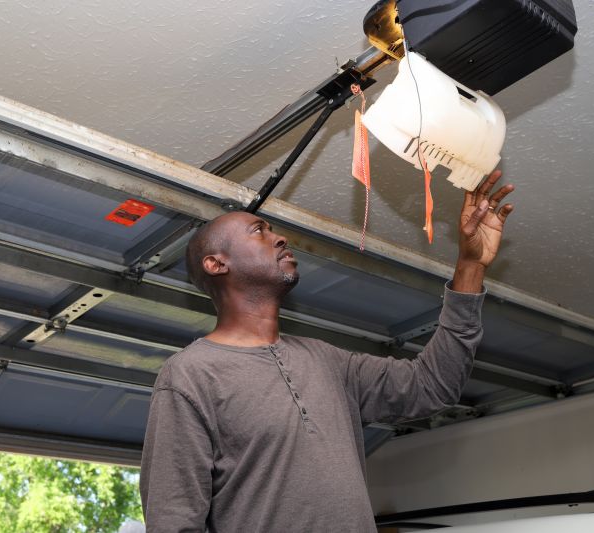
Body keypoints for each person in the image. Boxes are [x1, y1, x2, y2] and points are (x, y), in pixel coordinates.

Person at [141, 170, 515, 532]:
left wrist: (469, 266)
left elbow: (433, 386)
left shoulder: (328, 360)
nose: (280, 238)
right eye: (259, 231)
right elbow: (174, 520)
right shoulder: (190, 375)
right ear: (217, 263)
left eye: (271, 229)